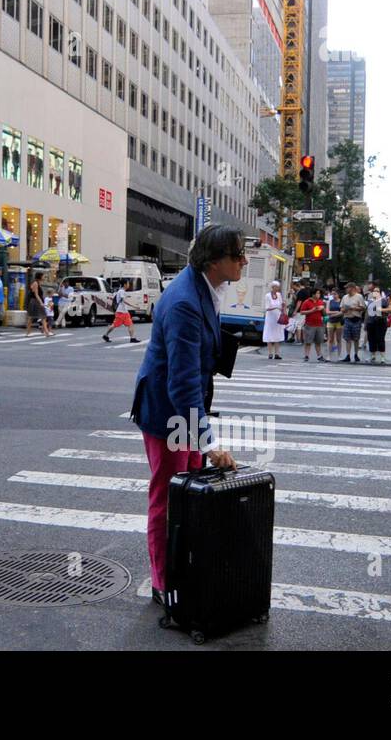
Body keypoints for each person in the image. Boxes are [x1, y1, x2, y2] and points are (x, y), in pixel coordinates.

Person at [130, 225, 242, 605]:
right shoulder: (183, 302)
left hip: (184, 412)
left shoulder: (207, 287)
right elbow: (181, 383)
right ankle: (162, 582)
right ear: (214, 260)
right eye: (237, 255)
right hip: (166, 413)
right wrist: (208, 442)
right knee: (168, 497)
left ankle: (185, 567)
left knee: (189, 492)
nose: (244, 260)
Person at [340, 283, 366, 363]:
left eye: (347, 288)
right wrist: (344, 309)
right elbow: (341, 308)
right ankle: (348, 355)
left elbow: (363, 308)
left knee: (356, 338)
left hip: (356, 319)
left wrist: (353, 308)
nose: (346, 290)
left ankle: (356, 354)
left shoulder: (359, 296)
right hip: (347, 318)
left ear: (352, 288)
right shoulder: (345, 297)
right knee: (347, 338)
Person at [299, 287, 326, 362]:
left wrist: (323, 309)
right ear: (313, 294)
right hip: (310, 324)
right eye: (317, 293)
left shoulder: (320, 302)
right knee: (308, 341)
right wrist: (312, 310)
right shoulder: (306, 302)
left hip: (319, 324)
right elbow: (302, 312)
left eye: (319, 293)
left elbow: (324, 314)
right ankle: (306, 355)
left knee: (318, 341)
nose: (319, 294)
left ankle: (319, 356)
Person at [365, 283, 389, 364]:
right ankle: (373, 355)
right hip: (371, 322)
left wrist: (381, 309)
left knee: (380, 339)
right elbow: (367, 312)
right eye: (374, 291)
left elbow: (389, 310)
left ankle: (382, 357)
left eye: (377, 291)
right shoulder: (369, 301)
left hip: (381, 322)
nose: (376, 292)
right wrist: (366, 323)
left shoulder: (383, 300)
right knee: (371, 339)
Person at [262, 280, 286, 359]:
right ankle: (270, 353)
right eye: (276, 287)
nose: (277, 289)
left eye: (278, 287)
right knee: (269, 334)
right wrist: (276, 307)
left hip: (278, 317)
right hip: (270, 318)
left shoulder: (279, 295)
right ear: (272, 287)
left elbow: (281, 305)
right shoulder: (268, 296)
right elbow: (267, 308)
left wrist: (283, 306)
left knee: (277, 335)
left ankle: (277, 353)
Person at [325, 287, 343, 361]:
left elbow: (342, 312)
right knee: (330, 339)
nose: (334, 296)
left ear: (338, 294)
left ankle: (339, 355)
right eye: (332, 294)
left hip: (339, 322)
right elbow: (327, 312)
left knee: (339, 339)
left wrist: (332, 313)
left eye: (335, 294)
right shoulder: (329, 302)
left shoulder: (341, 301)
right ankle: (328, 355)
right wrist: (336, 312)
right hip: (331, 321)